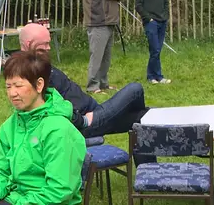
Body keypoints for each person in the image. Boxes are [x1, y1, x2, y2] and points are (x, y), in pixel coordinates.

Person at [0, 49, 86, 205]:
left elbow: (59, 190)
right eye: (8, 86)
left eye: (18, 86)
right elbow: (0, 174)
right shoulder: (9, 127)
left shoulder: (58, 129)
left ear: (39, 85)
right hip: (18, 201)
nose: (12, 93)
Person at [18, 22, 148, 145]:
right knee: (135, 89)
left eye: (48, 43)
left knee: (145, 118)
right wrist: (82, 120)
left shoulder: (38, 63)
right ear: (29, 44)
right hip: (85, 124)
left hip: (93, 111)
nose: (49, 48)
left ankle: (146, 169)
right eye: (44, 45)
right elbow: (51, 109)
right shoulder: (31, 73)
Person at [81, 0, 122, 93]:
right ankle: (92, 86)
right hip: (97, 21)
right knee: (97, 56)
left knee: (106, 57)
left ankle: (103, 83)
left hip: (107, 22)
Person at [134, 0, 171, 84]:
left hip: (162, 21)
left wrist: (165, 16)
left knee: (157, 50)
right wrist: (148, 18)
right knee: (154, 49)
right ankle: (155, 76)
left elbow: (166, 2)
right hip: (151, 22)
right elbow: (138, 5)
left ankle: (154, 76)